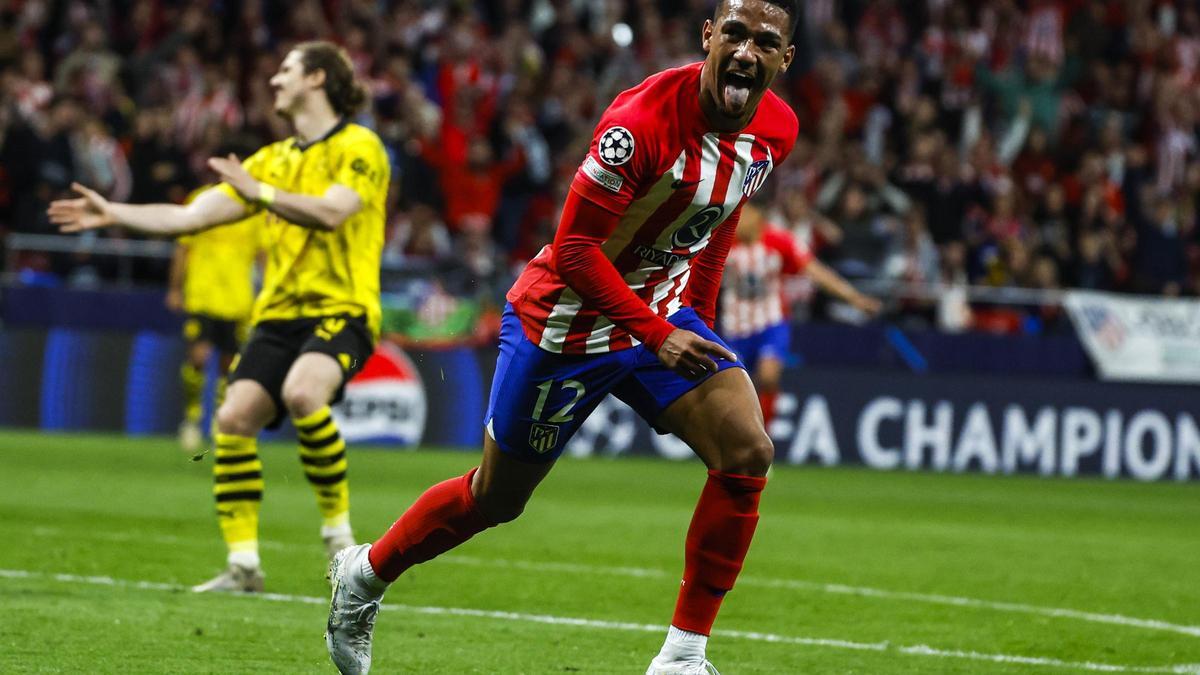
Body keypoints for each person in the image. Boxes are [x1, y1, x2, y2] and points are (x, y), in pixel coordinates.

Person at [325, 1, 802, 673]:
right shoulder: (637, 126)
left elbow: (717, 220)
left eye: (766, 42)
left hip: (659, 315)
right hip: (566, 324)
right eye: (734, 33)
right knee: (496, 497)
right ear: (708, 38)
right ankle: (364, 574)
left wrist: (695, 319)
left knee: (747, 449)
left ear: (785, 60)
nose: (748, 51)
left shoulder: (778, 128)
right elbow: (574, 248)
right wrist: (659, 335)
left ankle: (682, 656)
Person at [48, 41, 390, 593]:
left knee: (305, 393)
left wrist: (261, 193)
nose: (275, 80)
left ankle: (339, 536)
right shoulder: (270, 160)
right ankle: (244, 566)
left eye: (286, 71)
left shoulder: (360, 146)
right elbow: (189, 217)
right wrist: (114, 212)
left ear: (319, 79)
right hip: (277, 314)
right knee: (231, 420)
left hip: (343, 307)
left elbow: (332, 212)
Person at [720, 201, 881, 430]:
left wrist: (855, 298)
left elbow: (817, 272)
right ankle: (736, 438)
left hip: (771, 323)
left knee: (768, 377)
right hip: (734, 326)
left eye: (742, 213)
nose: (737, 219)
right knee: (734, 388)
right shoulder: (723, 241)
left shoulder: (779, 241)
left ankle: (762, 438)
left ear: (758, 215)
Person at [167, 187, 262, 454]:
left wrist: (267, 293)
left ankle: (220, 422)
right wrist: (175, 288)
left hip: (237, 300)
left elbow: (263, 254)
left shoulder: (254, 206)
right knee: (198, 357)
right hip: (202, 295)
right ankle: (192, 418)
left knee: (228, 365)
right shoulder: (200, 199)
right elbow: (183, 248)